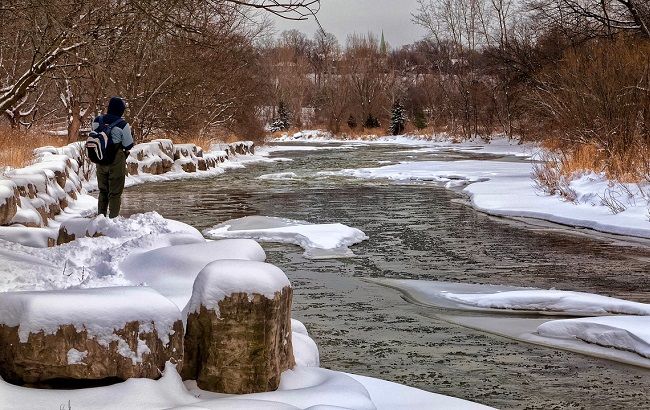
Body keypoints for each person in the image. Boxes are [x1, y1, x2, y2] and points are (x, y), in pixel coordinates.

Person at [93, 97, 134, 218]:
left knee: (103, 191)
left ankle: (100, 218)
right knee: (115, 193)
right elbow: (128, 144)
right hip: (116, 160)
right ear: (121, 110)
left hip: (100, 159)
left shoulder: (97, 120)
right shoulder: (123, 124)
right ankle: (113, 220)